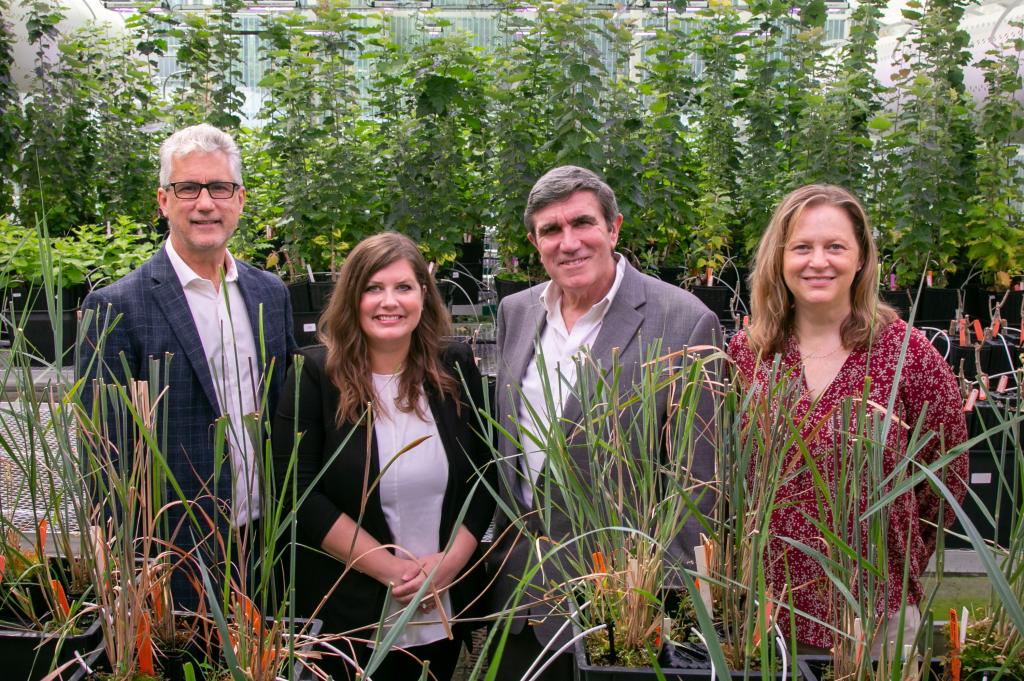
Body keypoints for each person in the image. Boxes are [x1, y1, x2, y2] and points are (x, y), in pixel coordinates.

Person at [489, 165, 721, 681]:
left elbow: (696, 489)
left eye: (583, 223)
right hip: (521, 596)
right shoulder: (516, 313)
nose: (568, 242)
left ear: (614, 228)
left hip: (622, 605)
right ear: (535, 241)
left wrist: (672, 617)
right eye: (551, 230)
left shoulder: (682, 321)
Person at [727, 184, 969, 651]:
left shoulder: (907, 356)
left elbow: (946, 480)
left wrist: (894, 562)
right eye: (802, 247)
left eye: (835, 246)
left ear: (860, 258)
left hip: (875, 617)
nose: (818, 261)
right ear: (780, 257)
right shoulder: (749, 354)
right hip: (766, 612)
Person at [78, 124, 297, 605]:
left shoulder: (269, 294)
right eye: (188, 188)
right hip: (173, 555)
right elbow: (105, 456)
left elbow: (286, 412)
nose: (205, 203)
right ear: (163, 200)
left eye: (219, 188)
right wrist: (132, 571)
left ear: (239, 199)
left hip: (268, 542)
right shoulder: (118, 308)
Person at [270, 232, 495, 681]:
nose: (388, 302)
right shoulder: (313, 373)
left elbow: (485, 476)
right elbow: (297, 492)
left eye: (403, 287)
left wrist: (448, 565)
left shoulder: (454, 366)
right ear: (351, 298)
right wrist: (391, 570)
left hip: (443, 603)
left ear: (423, 296)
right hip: (349, 610)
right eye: (373, 288)